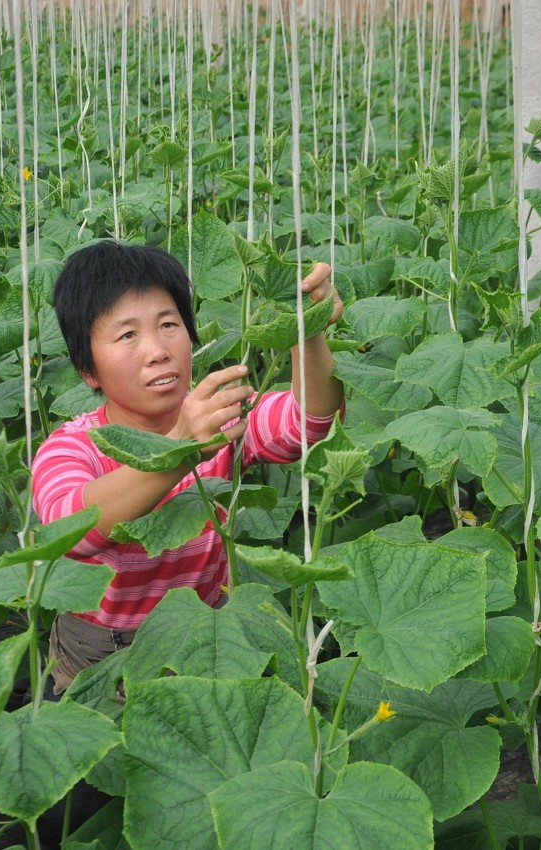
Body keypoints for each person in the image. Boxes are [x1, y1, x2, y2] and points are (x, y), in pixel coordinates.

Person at [31, 240, 344, 694]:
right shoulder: (74, 446)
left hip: (203, 634)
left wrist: (308, 332)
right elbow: (68, 528)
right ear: (88, 370)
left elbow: (309, 424)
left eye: (168, 324)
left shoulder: (217, 415)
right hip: (101, 651)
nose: (157, 350)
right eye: (127, 335)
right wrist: (181, 449)